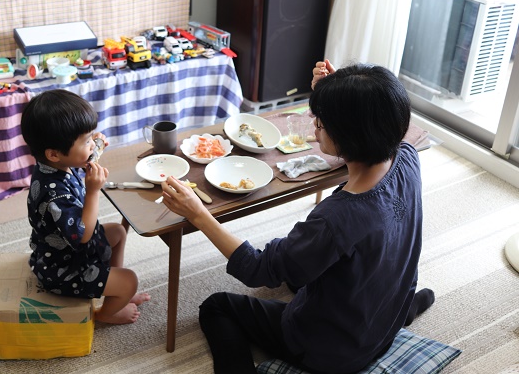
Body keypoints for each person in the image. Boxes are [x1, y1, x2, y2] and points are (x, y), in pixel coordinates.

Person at [160, 61, 434, 373]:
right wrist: (330, 95)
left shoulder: (336, 219)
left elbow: (258, 269)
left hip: (329, 350)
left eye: (319, 123)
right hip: (386, 315)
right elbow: (373, 114)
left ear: (349, 135)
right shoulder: (406, 157)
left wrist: (199, 214)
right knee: (301, 271)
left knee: (217, 306)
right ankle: (404, 311)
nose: (314, 129)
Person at [21, 89, 150, 325]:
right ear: (54, 154)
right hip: (63, 269)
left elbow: (78, 156)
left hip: (66, 249)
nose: (92, 145)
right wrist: (92, 191)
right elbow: (83, 235)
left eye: (91, 138)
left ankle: (112, 288)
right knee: (130, 280)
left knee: (118, 232)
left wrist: (93, 143)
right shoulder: (53, 195)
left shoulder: (52, 164)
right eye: (86, 141)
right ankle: (104, 314)